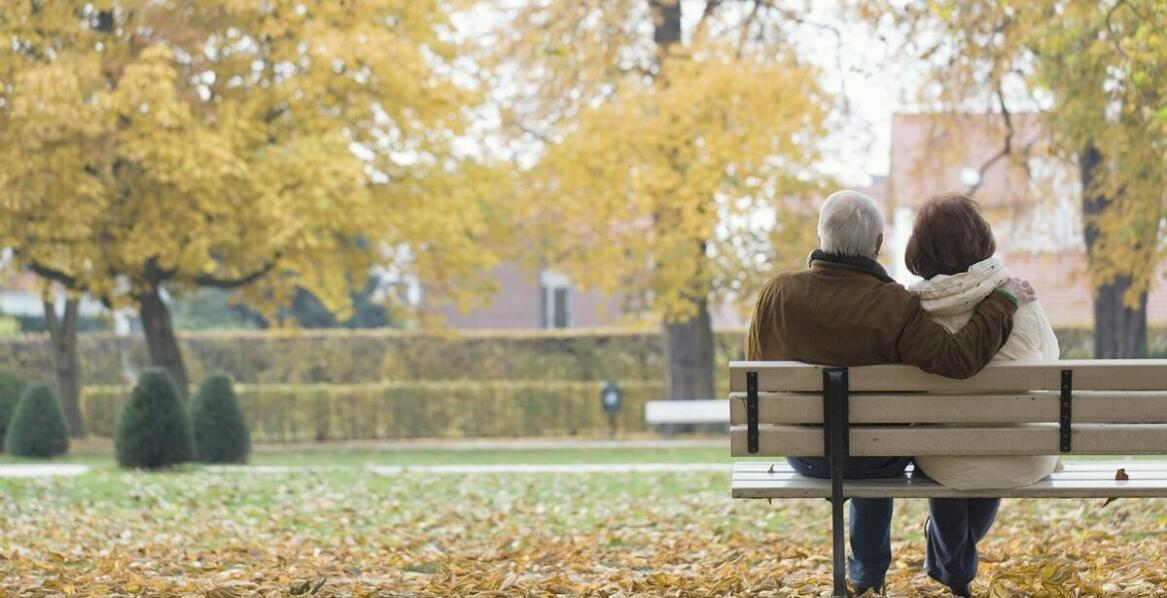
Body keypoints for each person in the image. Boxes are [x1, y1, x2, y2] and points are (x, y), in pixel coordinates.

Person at [744, 189, 1037, 595]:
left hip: (804, 455)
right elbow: (957, 360)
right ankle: (878, 568)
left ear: (822, 235)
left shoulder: (777, 293)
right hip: (878, 457)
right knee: (872, 442)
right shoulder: (894, 305)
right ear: (878, 244)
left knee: (859, 439)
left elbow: (756, 363)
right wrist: (1001, 302)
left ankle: (866, 574)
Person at [905, 193, 1060, 597]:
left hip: (943, 457)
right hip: (1023, 453)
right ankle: (953, 567)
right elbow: (1052, 362)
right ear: (981, 240)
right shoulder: (1020, 299)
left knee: (952, 446)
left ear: (920, 250)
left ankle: (954, 567)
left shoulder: (915, 313)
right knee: (990, 438)